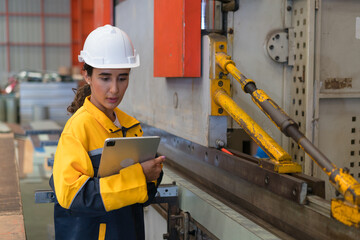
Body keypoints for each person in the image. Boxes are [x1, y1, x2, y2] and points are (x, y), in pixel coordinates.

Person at [49, 24, 164, 240]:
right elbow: (70, 195)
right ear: (87, 76)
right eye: (105, 78)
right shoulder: (78, 128)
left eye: (122, 78)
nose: (114, 89)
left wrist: (153, 173)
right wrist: (139, 176)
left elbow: (143, 194)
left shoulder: (131, 127)